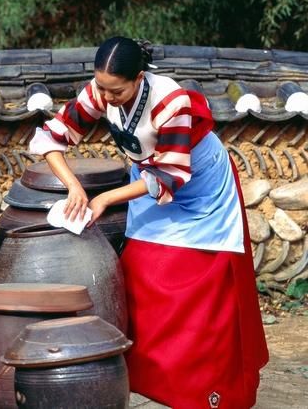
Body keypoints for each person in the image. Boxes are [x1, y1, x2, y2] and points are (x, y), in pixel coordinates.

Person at [29, 36, 269, 409]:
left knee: (197, 280)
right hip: (147, 180)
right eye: (101, 88)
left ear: (139, 77)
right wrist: (73, 186)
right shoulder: (100, 91)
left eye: (116, 91)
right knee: (141, 272)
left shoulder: (171, 101)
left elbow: (171, 175)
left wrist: (105, 198)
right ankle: (152, 379)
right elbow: (50, 137)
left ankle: (207, 389)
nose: (106, 98)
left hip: (198, 183)